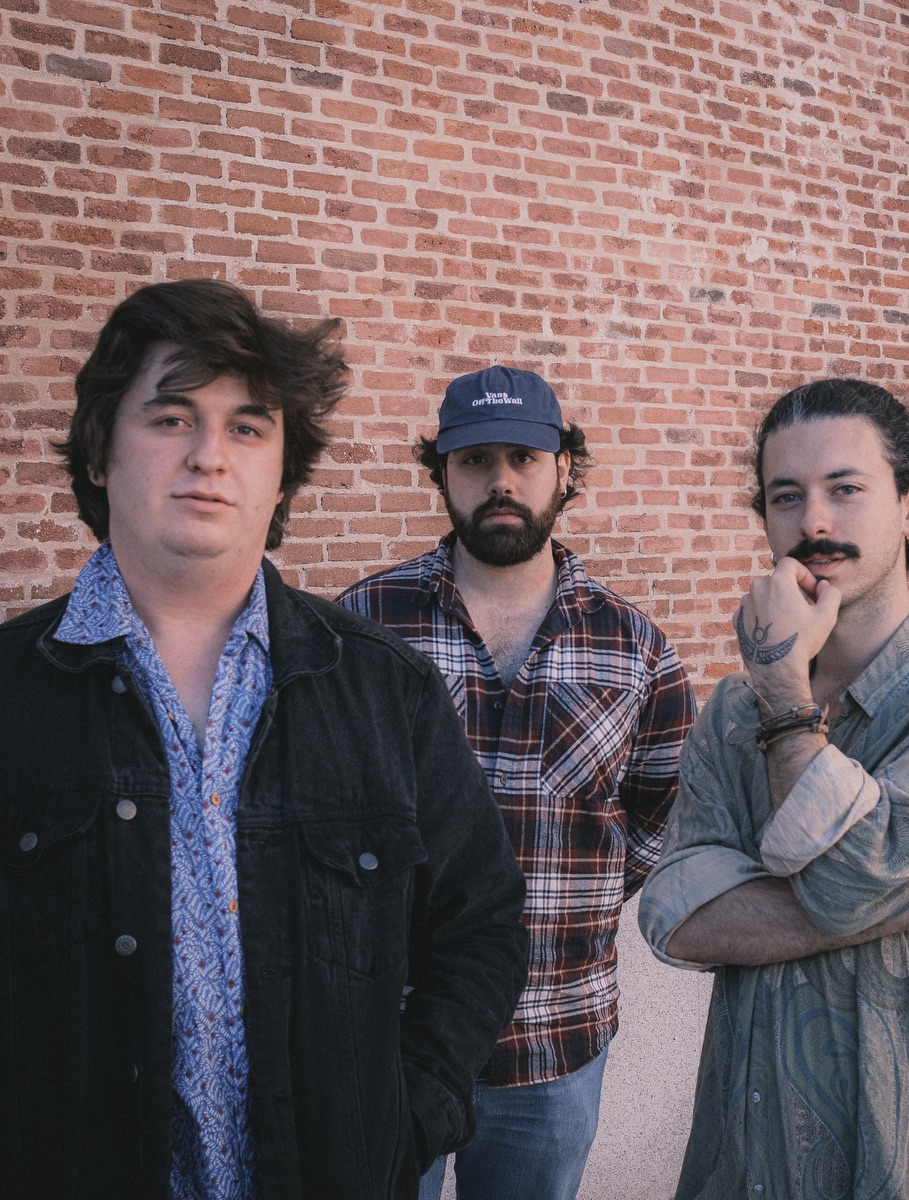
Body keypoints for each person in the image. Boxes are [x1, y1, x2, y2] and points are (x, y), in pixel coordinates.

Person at [0, 280, 529, 1200]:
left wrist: (404, 1121)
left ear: (283, 474)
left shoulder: (385, 690)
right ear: (99, 453)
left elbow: (480, 925)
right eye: (171, 417)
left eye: (247, 428)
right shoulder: (12, 694)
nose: (210, 455)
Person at [639, 378, 909, 1199]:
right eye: (786, 496)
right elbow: (676, 918)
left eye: (846, 489)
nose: (814, 523)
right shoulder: (733, 709)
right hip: (745, 1157)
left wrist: (786, 697)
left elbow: (844, 879)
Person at [338, 365, 696, 1200]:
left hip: (554, 1037)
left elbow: (662, 811)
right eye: (475, 461)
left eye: (524, 459)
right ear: (441, 474)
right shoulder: (364, 627)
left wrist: (575, 890)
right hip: (390, 1033)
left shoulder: (634, 647)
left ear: (564, 469)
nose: (500, 481)